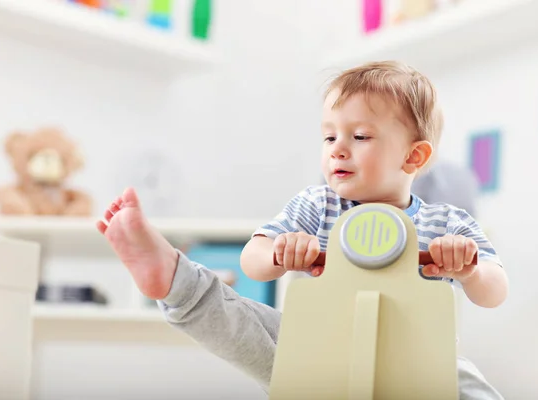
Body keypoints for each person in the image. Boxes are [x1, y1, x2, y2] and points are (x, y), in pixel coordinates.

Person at [97, 61, 508, 399]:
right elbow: (252, 261)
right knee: (248, 324)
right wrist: (279, 252)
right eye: (329, 136)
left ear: (414, 156)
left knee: (465, 385)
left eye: (360, 136)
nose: (337, 148)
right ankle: (172, 279)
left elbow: (494, 291)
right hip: (317, 345)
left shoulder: (445, 222)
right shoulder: (316, 205)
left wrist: (469, 268)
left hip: (418, 358)